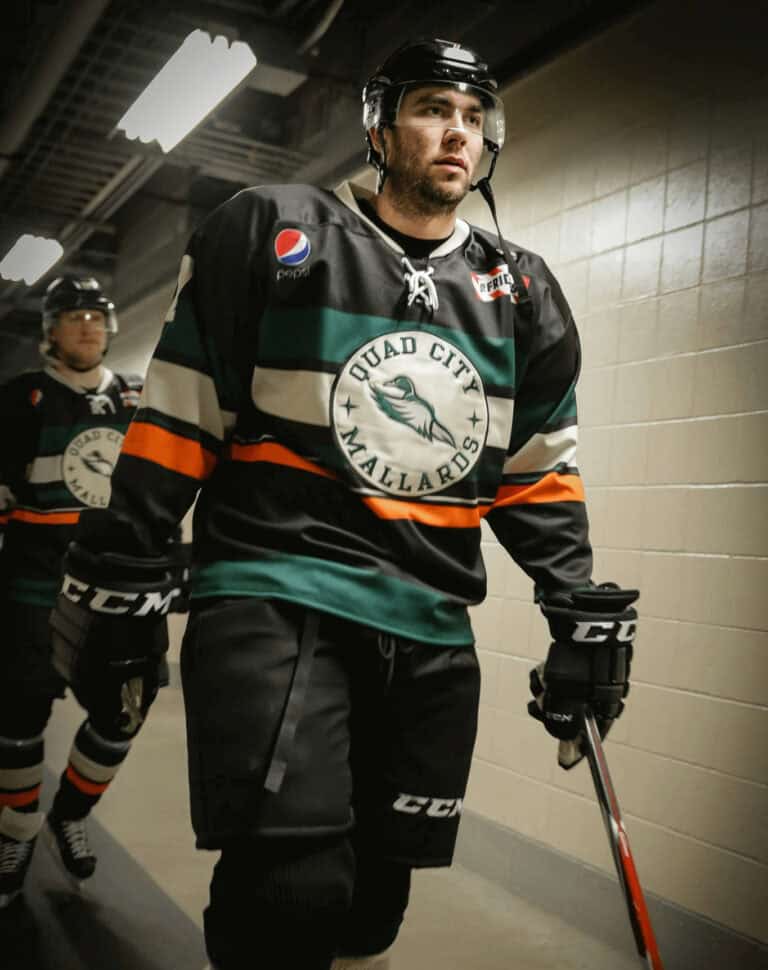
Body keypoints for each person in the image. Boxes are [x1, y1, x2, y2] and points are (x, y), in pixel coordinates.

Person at [50, 38, 638, 970]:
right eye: (432, 109)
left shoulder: (521, 292)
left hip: (430, 622)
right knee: (291, 893)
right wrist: (122, 558)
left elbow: (535, 474)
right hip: (278, 596)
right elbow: (181, 416)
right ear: (380, 126)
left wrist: (576, 607)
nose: (457, 132)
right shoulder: (273, 230)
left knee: (371, 909)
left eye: (474, 116)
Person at [0, 276, 159, 909]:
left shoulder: (139, 398)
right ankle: (16, 830)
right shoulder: (19, 399)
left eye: (96, 316)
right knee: (18, 716)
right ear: (51, 330)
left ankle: (69, 813)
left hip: (117, 588)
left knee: (124, 712)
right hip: (34, 585)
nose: (88, 326)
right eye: (74, 316)